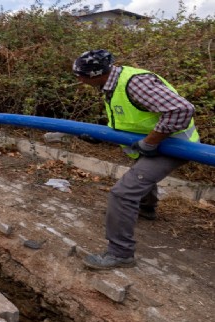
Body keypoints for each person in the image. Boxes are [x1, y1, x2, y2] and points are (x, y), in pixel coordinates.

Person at [72, 49, 200, 270]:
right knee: (140, 174)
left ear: (96, 74)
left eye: (81, 75)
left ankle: (121, 253)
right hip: (156, 143)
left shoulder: (135, 84)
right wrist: (101, 138)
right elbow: (131, 119)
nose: (79, 79)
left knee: (122, 194)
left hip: (174, 145)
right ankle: (146, 210)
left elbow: (182, 109)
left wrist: (150, 142)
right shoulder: (111, 83)